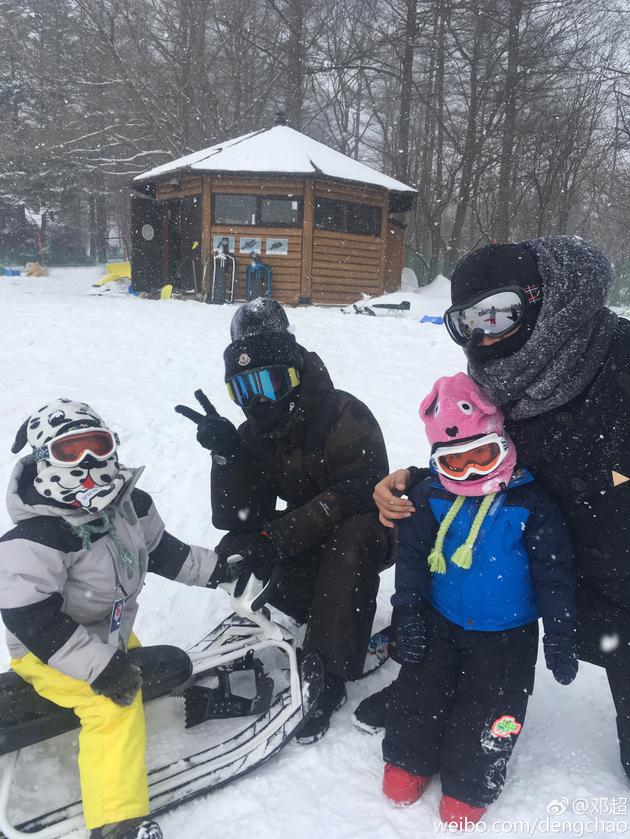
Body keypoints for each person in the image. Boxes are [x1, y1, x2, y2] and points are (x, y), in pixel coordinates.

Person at [361, 236, 630, 782]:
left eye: (497, 314)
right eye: (467, 323)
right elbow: (485, 460)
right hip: (556, 568)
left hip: (620, 591)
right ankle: (435, 684)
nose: (483, 338)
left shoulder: (615, 359)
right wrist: (418, 481)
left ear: (542, 303)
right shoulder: (508, 381)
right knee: (462, 557)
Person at [0, 399, 225, 839]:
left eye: (97, 446)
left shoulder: (128, 505)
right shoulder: (34, 537)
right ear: (44, 460)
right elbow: (31, 619)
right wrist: (99, 666)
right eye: (70, 452)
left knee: (137, 673)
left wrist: (218, 570)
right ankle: (116, 820)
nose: (88, 463)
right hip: (48, 650)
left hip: (110, 632)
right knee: (112, 704)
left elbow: (162, 552)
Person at [176, 298, 392, 743]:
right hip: (309, 533)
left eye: (269, 384)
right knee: (238, 543)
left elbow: (358, 493)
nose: (257, 401)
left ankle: (329, 672)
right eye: (243, 389)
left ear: (294, 375)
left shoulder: (342, 414)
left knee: (349, 540)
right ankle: (302, 608)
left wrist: (280, 536)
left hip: (370, 528)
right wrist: (228, 455)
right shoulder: (255, 431)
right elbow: (237, 516)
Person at [382, 372, 576, 827]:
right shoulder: (429, 496)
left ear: (503, 443)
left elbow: (555, 573)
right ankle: (409, 757)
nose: (471, 473)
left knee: (493, 708)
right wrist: (407, 611)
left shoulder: (531, 504)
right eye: (456, 464)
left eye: (482, 456)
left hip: (508, 634)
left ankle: (472, 781)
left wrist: (562, 635)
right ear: (436, 462)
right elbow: (411, 558)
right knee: (420, 690)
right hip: (439, 618)